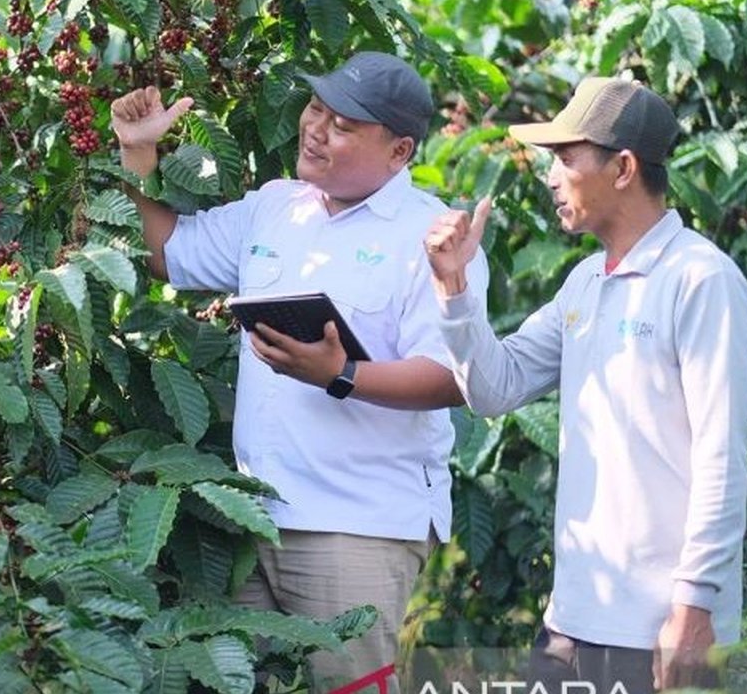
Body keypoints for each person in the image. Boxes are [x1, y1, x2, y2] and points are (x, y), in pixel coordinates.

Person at [110, 52, 489, 692]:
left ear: (399, 152)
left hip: (356, 528)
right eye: (317, 109)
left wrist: (340, 374)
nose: (315, 129)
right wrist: (135, 159)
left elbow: (454, 377)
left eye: (342, 125)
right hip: (251, 518)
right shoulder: (276, 208)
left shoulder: (432, 236)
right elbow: (167, 251)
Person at [424, 78, 747, 693]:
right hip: (570, 622)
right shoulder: (583, 282)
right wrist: (454, 290)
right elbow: (495, 389)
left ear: (624, 166)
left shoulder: (702, 279)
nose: (550, 176)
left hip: (658, 628)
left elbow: (721, 455)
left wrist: (694, 607)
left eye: (567, 156)